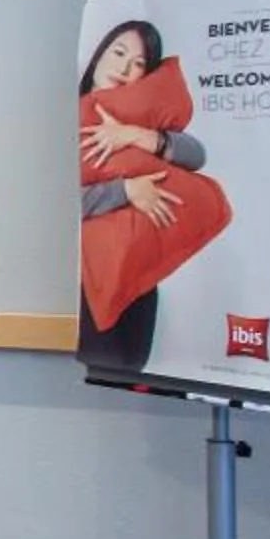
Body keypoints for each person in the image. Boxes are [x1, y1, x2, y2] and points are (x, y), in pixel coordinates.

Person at [74, 19, 214, 367]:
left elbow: (195, 155)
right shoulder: (67, 114)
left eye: (138, 63)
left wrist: (135, 135)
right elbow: (53, 203)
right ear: (98, 55)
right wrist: (125, 190)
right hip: (83, 281)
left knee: (132, 373)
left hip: (136, 281)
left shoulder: (140, 117)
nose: (124, 68)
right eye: (118, 53)